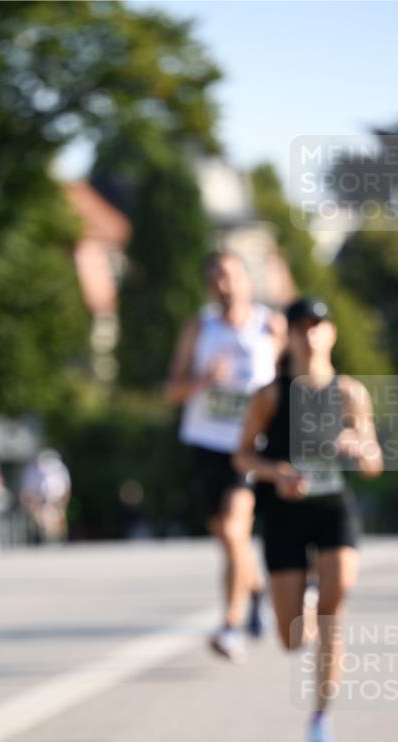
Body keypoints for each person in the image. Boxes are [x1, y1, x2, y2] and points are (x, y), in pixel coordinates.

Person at [235, 297, 383, 742]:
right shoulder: (271, 394)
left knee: (337, 600)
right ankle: (301, 601)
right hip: (285, 513)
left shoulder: (349, 393)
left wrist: (360, 447)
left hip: (332, 507)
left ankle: (321, 719)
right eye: (300, 327)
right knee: (291, 636)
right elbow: (242, 456)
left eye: (317, 325)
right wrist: (278, 473)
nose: (309, 334)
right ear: (290, 337)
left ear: (331, 333)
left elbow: (376, 461)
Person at [166, 251, 286, 663]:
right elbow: (171, 391)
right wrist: (204, 380)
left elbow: (291, 380)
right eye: (215, 277)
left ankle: (229, 626)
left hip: (248, 447)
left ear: (247, 281)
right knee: (226, 538)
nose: (224, 284)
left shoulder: (271, 325)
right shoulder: (199, 327)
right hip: (205, 443)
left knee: (236, 532)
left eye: (230, 275)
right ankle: (255, 592)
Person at [20, 448, 72, 543]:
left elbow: (65, 487)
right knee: (43, 518)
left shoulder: (59, 470)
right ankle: (47, 536)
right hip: (42, 500)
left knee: (57, 517)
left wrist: (62, 501)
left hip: (56, 499)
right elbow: (31, 490)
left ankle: (59, 536)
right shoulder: (35, 471)